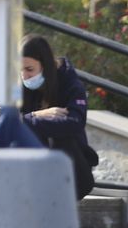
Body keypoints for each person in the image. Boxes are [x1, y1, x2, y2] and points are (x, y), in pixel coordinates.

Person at [20, 34, 98, 199]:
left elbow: (74, 123)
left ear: (46, 66)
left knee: (59, 136)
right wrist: (37, 115)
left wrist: (27, 121)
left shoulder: (71, 85)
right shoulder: (19, 85)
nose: (24, 76)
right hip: (31, 173)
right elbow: (1, 124)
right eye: (19, 69)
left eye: (29, 69)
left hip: (72, 172)